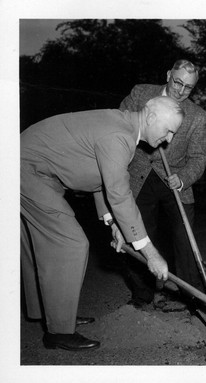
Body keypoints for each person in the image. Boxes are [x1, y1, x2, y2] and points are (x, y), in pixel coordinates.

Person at [20, 96, 184, 351]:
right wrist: (151, 254)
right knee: (70, 243)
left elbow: (101, 179)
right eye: (169, 130)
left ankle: (52, 314)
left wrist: (114, 224)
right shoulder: (119, 135)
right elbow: (119, 195)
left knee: (40, 245)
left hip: (37, 171)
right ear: (151, 118)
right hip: (25, 169)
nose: (170, 139)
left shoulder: (124, 129)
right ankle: (58, 331)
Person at [118, 59, 206, 308]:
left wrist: (183, 179)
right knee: (137, 236)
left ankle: (194, 297)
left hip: (174, 180)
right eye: (177, 82)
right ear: (168, 74)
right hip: (138, 175)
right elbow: (120, 126)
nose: (180, 91)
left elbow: (200, 157)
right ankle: (142, 293)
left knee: (184, 239)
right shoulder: (141, 93)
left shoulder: (198, 117)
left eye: (188, 87)